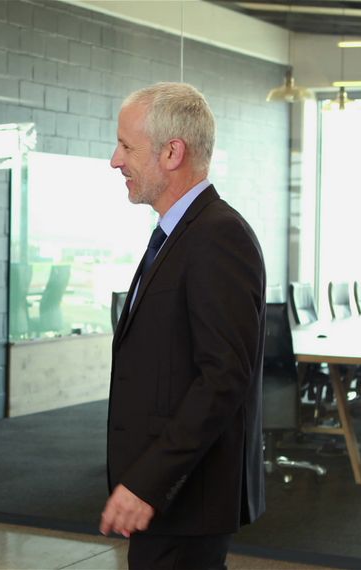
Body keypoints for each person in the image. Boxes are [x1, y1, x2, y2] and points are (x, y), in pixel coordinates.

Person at [100, 82, 266, 569]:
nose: (115, 160)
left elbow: (222, 379)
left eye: (126, 146)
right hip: (169, 501)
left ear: (172, 152)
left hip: (185, 497)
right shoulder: (180, 232)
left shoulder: (218, 236)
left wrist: (148, 481)